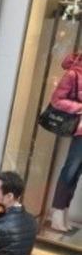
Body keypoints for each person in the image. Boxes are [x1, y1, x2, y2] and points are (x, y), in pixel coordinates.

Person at [48, 53, 82, 232]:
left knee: (75, 174)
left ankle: (63, 212)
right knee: (70, 171)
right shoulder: (73, 74)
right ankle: (57, 213)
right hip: (80, 130)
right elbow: (56, 99)